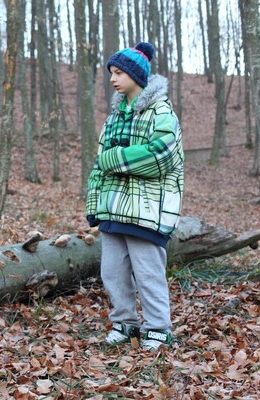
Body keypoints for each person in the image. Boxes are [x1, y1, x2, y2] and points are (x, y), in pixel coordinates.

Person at [85, 42, 184, 351]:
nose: (113, 79)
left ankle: (158, 329)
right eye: (111, 73)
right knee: (112, 272)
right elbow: (98, 164)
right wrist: (95, 207)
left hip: (147, 211)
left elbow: (161, 156)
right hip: (114, 211)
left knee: (148, 273)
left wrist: (115, 159)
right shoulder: (114, 117)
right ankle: (125, 323)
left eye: (119, 73)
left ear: (136, 75)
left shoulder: (162, 112)